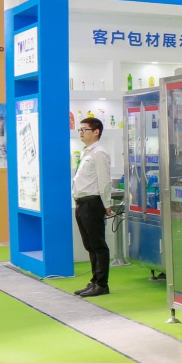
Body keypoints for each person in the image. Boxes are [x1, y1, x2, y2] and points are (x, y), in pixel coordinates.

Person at [73, 117, 112, 298]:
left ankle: (102, 284)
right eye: (80, 129)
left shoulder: (99, 153)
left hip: (93, 202)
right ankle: (95, 280)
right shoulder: (86, 152)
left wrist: (107, 204)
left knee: (98, 245)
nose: (81, 132)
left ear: (96, 132)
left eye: (85, 129)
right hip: (82, 203)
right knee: (89, 245)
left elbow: (104, 181)